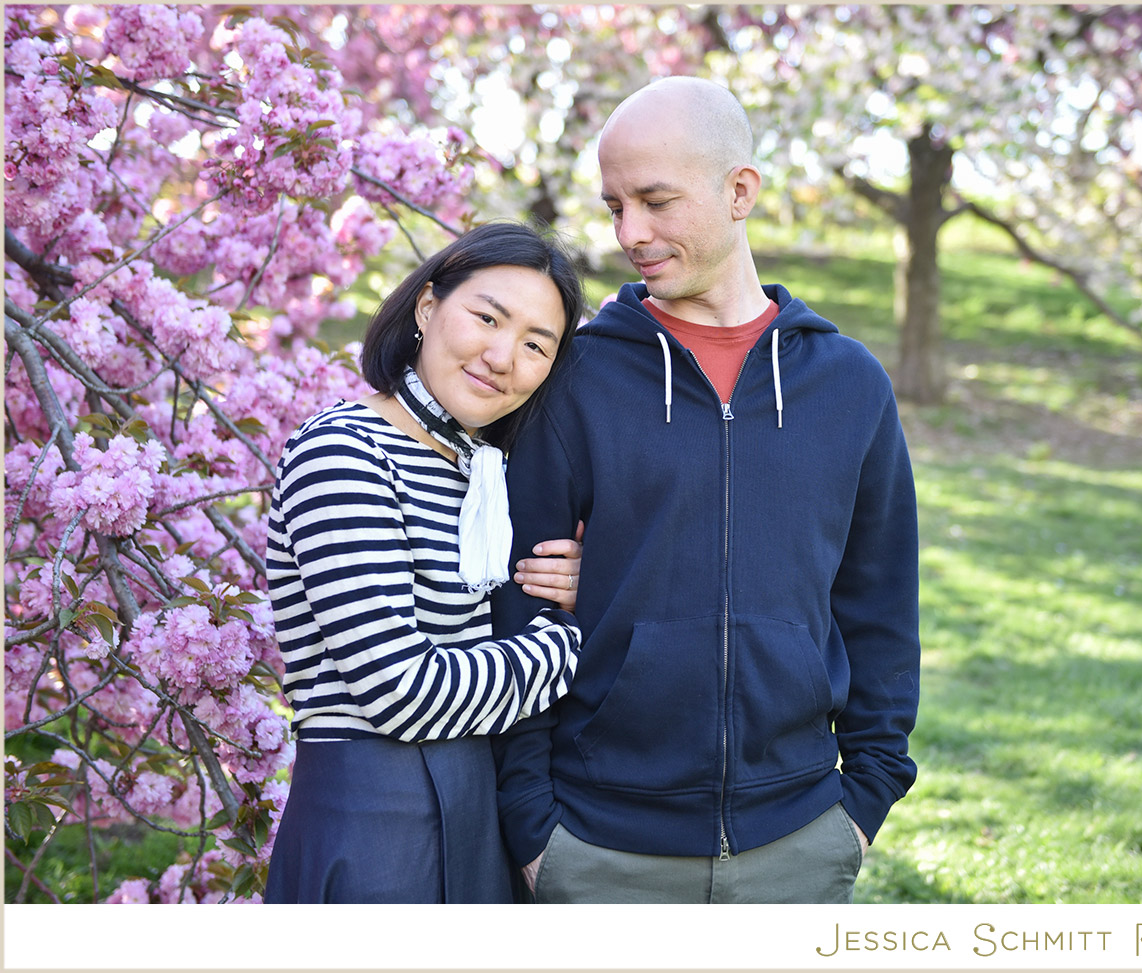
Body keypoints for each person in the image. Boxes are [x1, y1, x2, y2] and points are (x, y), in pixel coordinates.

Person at [492, 77, 921, 904]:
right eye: (615, 206)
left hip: (798, 839)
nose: (630, 233)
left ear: (740, 192)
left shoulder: (849, 385)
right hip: (597, 844)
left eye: (656, 201)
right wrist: (535, 827)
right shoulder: (575, 378)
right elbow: (518, 605)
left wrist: (865, 798)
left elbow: (880, 607)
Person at [263, 221, 590, 903]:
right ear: (427, 305)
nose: (501, 356)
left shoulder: (483, 471)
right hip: (374, 813)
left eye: (536, 345)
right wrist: (574, 638)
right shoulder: (345, 451)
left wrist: (573, 582)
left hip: (477, 807)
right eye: (487, 318)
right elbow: (400, 690)